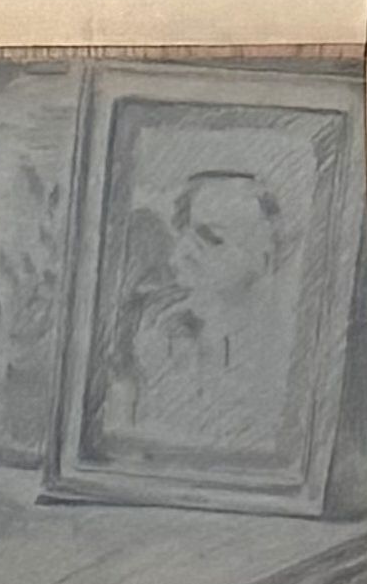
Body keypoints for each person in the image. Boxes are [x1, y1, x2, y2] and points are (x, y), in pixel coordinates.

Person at [108, 162, 302, 465]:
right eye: (183, 232)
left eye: (211, 238)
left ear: (266, 256)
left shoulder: (285, 362)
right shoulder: (157, 335)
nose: (179, 255)